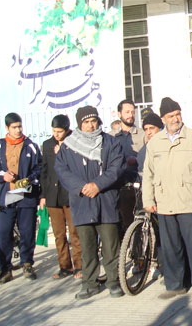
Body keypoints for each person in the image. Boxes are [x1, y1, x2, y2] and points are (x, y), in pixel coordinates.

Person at [143, 97, 192, 301]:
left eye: (177, 114)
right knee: (171, 247)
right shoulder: (155, 142)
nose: (175, 119)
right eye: (170, 116)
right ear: (163, 119)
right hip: (165, 202)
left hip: (191, 200)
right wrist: (148, 199)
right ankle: (176, 285)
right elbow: (148, 173)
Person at [54, 106, 125, 299]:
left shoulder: (110, 142)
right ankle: (90, 283)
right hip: (82, 201)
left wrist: (98, 185)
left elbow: (116, 167)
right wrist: (82, 187)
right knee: (87, 246)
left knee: (111, 246)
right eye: (86, 122)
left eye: (93, 121)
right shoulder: (68, 146)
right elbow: (61, 170)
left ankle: (113, 282)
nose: (91, 125)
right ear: (80, 124)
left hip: (105, 200)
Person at [0, 113, 42, 284]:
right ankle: (5, 268)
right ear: (7, 128)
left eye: (19, 126)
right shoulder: (0, 146)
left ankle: (27, 263)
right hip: (6, 196)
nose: (18, 130)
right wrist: (3, 176)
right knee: (3, 232)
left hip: (25, 194)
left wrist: (29, 179)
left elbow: (40, 167)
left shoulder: (31, 146)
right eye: (14, 127)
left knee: (27, 231)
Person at [39, 115, 82, 280]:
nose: (56, 134)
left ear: (67, 129)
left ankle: (79, 265)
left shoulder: (74, 142)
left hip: (70, 194)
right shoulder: (47, 144)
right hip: (52, 195)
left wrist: (63, 153)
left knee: (75, 232)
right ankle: (65, 266)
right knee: (59, 233)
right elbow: (44, 171)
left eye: (59, 131)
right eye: (54, 131)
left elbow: (78, 167)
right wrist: (43, 195)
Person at [110, 99, 145, 235]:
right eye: (127, 112)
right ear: (119, 114)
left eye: (132, 112)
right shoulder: (111, 136)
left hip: (138, 184)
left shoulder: (142, 134)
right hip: (118, 185)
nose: (130, 115)